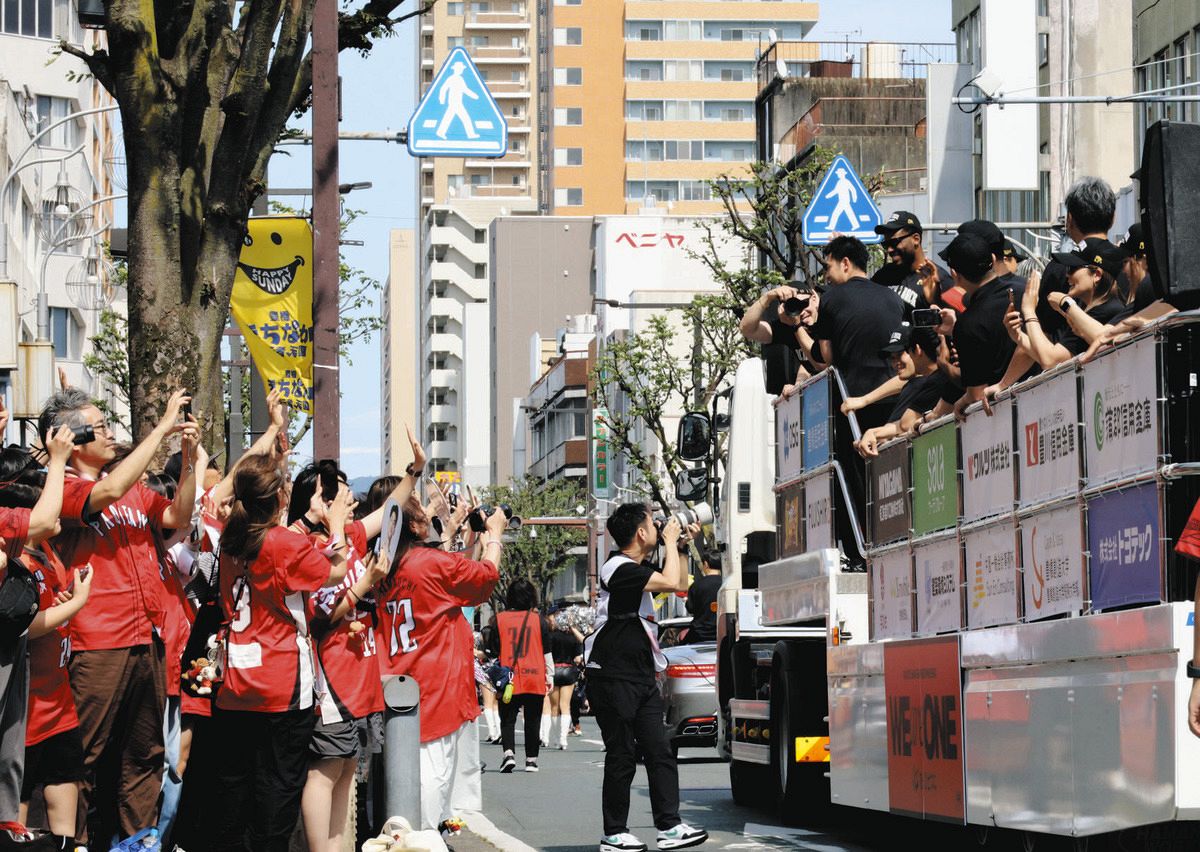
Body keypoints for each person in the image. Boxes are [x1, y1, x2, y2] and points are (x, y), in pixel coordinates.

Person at [38, 387, 199, 846]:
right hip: (96, 641)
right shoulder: (65, 485)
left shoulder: (131, 489)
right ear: (72, 435)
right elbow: (104, 491)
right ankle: (78, 841)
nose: (110, 434)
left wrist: (187, 460)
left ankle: (138, 841)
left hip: (144, 638)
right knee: (83, 757)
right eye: (100, 427)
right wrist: (162, 427)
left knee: (144, 755)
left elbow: (178, 514)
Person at [207, 454, 352, 851]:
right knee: (278, 796)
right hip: (282, 685)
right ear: (280, 496)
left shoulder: (230, 538)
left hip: (236, 685)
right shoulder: (282, 543)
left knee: (236, 796)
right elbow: (335, 571)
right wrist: (336, 522)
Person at [375, 495, 505, 832]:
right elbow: (485, 579)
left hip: (399, 677)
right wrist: (494, 535)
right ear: (414, 524)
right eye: (420, 511)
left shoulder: (382, 565)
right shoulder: (429, 562)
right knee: (433, 773)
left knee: (407, 774)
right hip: (435, 682)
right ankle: (424, 837)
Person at [586, 504, 707, 852]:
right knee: (622, 754)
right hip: (612, 675)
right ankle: (614, 833)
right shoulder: (617, 568)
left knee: (660, 749)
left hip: (639, 674)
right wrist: (670, 541)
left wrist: (680, 547)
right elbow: (669, 580)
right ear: (640, 534)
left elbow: (680, 583)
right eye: (652, 525)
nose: (657, 528)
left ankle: (669, 827)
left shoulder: (636, 569)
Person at [0, 441, 82, 852]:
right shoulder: (10, 550)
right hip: (23, 702)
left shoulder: (39, 549)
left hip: (53, 699)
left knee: (57, 790)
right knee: (13, 810)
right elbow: (22, 626)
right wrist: (76, 607)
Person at [803, 236, 905, 431]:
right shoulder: (893, 298)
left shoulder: (831, 299)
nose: (827, 276)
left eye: (828, 267)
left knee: (854, 459)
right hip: (894, 397)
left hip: (852, 400)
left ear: (845, 263)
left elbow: (827, 356)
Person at [931, 234, 1018, 421]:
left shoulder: (969, 324)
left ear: (955, 274)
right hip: (1043, 397)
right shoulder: (1020, 293)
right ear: (993, 260)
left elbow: (977, 395)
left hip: (1001, 418)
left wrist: (961, 402)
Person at [1005, 238, 1127, 369]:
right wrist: (1018, 336)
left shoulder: (1108, 310)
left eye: (1072, 268)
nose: (1067, 274)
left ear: (1096, 274)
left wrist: (1029, 311)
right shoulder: (1088, 311)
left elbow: (1050, 360)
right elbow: (1051, 355)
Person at [855, 325, 954, 457]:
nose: (895, 363)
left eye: (903, 352)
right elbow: (902, 425)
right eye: (892, 358)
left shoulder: (934, 380)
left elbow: (906, 424)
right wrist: (874, 434)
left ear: (917, 349)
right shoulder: (922, 381)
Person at [485, 579, 552, 773]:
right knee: (533, 718)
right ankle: (531, 760)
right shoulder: (538, 620)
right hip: (535, 674)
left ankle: (508, 754)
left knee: (507, 718)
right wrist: (550, 676)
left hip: (509, 677)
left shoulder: (499, 619)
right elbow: (547, 651)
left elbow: (494, 649)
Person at [871, 210, 955, 316]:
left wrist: (935, 300)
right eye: (886, 244)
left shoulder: (939, 280)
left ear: (916, 239)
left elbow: (951, 325)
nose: (889, 250)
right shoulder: (883, 275)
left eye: (894, 242)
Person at [547, 611, 584, 750]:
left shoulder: (551, 637)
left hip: (554, 671)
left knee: (554, 707)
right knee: (565, 706)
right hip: (569, 671)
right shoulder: (572, 638)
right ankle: (564, 739)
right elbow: (578, 657)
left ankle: (556, 738)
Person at [685, 551, 721, 645]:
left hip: (700, 635)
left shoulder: (697, 585)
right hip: (722, 634)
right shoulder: (727, 584)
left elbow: (691, 608)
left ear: (706, 564)